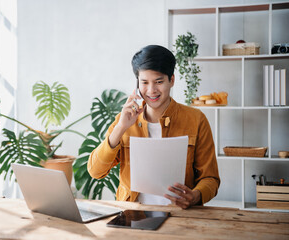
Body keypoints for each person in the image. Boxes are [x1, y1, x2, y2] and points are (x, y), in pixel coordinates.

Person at [87, 45, 220, 209]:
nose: (151, 90)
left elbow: (210, 179)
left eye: (158, 82)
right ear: (137, 83)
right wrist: (120, 128)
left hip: (180, 215)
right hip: (132, 214)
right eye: (144, 82)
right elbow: (95, 171)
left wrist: (195, 196)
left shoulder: (196, 119)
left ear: (171, 80)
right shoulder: (124, 120)